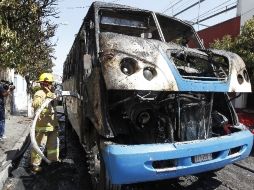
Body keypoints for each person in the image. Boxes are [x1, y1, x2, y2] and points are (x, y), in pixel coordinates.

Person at [31, 73, 59, 173]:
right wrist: (44, 97)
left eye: (51, 83)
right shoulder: (39, 93)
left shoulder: (51, 93)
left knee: (53, 146)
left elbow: (56, 101)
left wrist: (50, 93)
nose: (51, 85)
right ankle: (35, 165)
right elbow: (35, 104)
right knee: (39, 146)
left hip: (52, 125)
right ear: (44, 84)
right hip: (42, 125)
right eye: (49, 83)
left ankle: (53, 161)